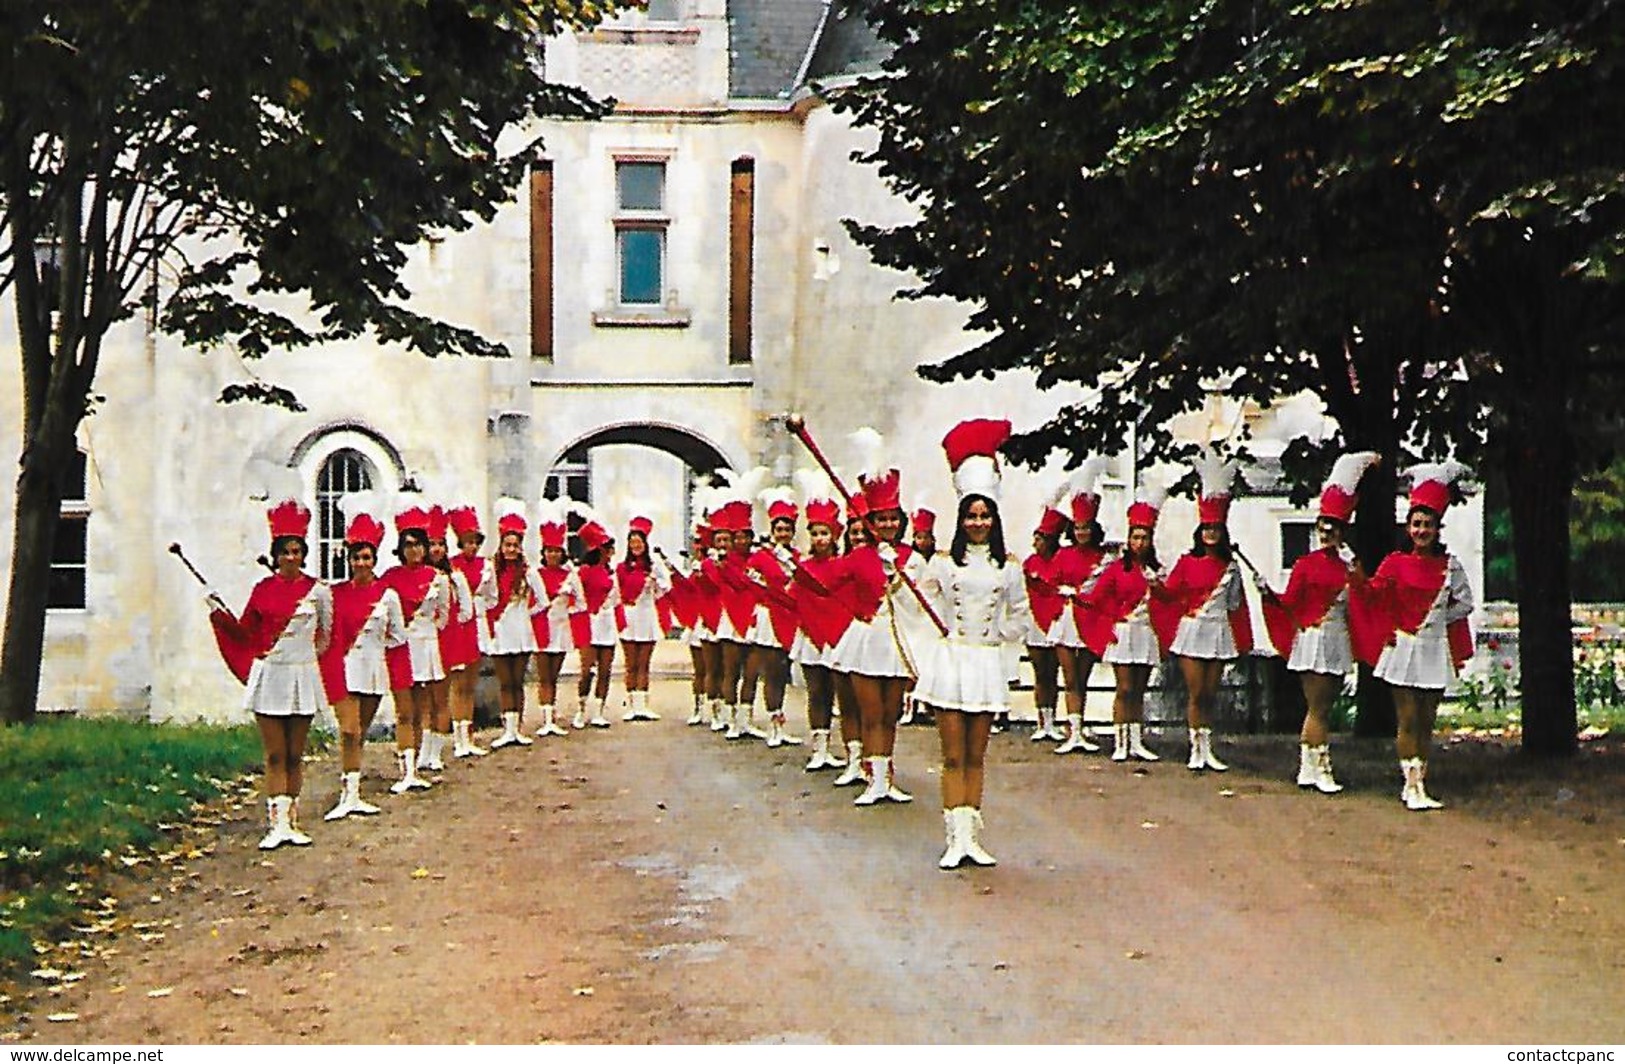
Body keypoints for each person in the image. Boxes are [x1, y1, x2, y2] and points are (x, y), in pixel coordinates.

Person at [914, 419, 1029, 869]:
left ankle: (971, 835)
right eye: (971, 515)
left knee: (976, 755)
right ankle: (952, 837)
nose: (978, 522)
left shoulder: (1009, 567)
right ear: (961, 520)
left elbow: (1020, 614)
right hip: (952, 661)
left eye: (985, 516)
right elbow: (918, 602)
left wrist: (996, 641)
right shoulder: (944, 564)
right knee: (951, 753)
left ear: (994, 519)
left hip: (983, 664)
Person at [208, 498, 333, 849]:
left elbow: (325, 636)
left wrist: (301, 658)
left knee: (296, 753)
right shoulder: (262, 590)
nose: (291, 557)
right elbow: (246, 631)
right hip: (270, 678)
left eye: (296, 550)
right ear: (275, 554)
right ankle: (275, 825)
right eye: (285, 551)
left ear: (303, 553)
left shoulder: (319, 591)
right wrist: (220, 614)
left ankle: (292, 822)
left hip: (302, 676)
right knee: (275, 753)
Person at [1350, 462, 1476, 811]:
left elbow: (1465, 602)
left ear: (1438, 529)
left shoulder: (1450, 566)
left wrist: (1436, 621)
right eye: (1417, 524)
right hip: (1403, 648)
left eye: (1428, 525)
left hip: (1434, 649)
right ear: (1408, 527)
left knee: (1426, 721)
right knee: (1407, 718)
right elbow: (1374, 596)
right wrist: (1359, 579)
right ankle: (1411, 784)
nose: (1422, 530)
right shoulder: (1394, 562)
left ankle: (1421, 781)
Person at [1257, 452, 1379, 794]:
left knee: (1326, 704)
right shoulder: (1306, 564)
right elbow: (1290, 601)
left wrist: (1355, 569)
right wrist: (1268, 592)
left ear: (1342, 531)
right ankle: (1315, 766)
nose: (1327, 532)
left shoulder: (1348, 564)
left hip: (1337, 638)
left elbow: (1366, 597)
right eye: (1323, 527)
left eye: (1333, 527)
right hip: (1313, 638)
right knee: (1318, 706)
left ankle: (1311, 765)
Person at [828, 428, 928, 806]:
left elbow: (919, 603)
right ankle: (873, 778)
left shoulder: (913, 559)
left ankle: (887, 776)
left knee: (891, 714)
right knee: (870, 713)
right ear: (870, 521)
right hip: (867, 639)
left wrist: (898, 575)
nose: (887, 525)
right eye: (880, 519)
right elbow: (829, 586)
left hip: (898, 639)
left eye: (892, 519)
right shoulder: (856, 557)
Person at [1161, 453, 1252, 772]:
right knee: (1196, 691)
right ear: (1199, 531)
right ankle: (1194, 747)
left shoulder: (1231, 566)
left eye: (1215, 528)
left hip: (1219, 631)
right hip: (1193, 630)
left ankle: (1207, 746)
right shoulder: (1187, 562)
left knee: (1211, 693)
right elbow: (1170, 593)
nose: (1210, 533)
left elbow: (1236, 605)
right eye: (1206, 528)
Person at [317, 496, 405, 820]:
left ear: (374, 559)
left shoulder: (388, 595)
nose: (362, 563)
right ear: (349, 559)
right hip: (344, 668)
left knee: (361, 731)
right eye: (357, 558)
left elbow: (398, 636)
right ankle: (347, 793)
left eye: (367, 557)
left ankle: (353, 792)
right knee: (349, 729)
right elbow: (324, 631)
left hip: (373, 669)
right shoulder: (334, 593)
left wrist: (377, 645)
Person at [1081, 479, 1170, 762]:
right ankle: (1120, 741)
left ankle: (1136, 741)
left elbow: (1171, 601)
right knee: (1125, 688)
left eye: (1144, 537)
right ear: (1129, 539)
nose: (1139, 543)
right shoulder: (1117, 568)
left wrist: (1159, 587)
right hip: (1123, 632)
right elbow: (1096, 597)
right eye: (1135, 537)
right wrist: (1111, 621)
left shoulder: (1157, 569)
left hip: (1146, 632)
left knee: (1140, 690)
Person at [380, 506, 452, 793]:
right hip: (400, 646)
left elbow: (444, 615)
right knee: (404, 710)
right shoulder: (389, 577)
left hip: (426, 645)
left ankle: (418, 764)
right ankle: (405, 770)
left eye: (418, 544)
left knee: (423, 707)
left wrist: (427, 630)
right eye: (407, 545)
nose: (414, 550)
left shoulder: (438, 578)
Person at [789, 473, 857, 771]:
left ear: (834, 535)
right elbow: (795, 599)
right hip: (810, 636)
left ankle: (852, 754)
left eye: (824, 533)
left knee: (842, 695)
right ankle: (820, 747)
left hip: (839, 635)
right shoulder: (802, 567)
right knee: (816, 692)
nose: (819, 539)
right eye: (814, 533)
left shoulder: (844, 566)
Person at [1053, 458, 1111, 755]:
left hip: (1089, 618)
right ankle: (1072, 730)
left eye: (1086, 527)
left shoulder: (1103, 558)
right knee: (1069, 676)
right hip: (1066, 619)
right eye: (1077, 527)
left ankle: (1081, 728)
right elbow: (1050, 582)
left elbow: (1106, 589)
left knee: (1084, 676)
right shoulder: (1062, 555)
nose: (1081, 532)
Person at [742, 486, 802, 746]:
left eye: (787, 530)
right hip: (769, 617)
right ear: (772, 530)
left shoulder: (798, 558)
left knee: (782, 669)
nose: (783, 534)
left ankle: (780, 721)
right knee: (770, 671)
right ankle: (773, 725)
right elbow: (751, 584)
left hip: (790, 616)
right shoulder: (760, 557)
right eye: (779, 529)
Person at [480, 500, 542, 748]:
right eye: (507, 544)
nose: (511, 549)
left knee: (518, 681)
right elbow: (483, 598)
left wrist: (524, 613)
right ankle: (507, 729)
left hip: (521, 632)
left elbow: (543, 601)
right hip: (500, 631)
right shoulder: (491, 569)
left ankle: (518, 729)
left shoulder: (528, 571)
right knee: (505, 682)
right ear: (501, 545)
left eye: (515, 545)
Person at [420, 506, 471, 769]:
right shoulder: (419, 577)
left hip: (447, 641)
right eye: (431, 544)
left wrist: (448, 628)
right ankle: (423, 751)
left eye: (441, 544)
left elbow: (466, 610)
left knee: (441, 699)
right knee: (423, 701)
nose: (436, 550)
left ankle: (436, 752)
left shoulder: (455, 577)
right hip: (424, 642)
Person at [1022, 490, 1073, 744]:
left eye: (1041, 538)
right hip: (1034, 621)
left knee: (1056, 672)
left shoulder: (1062, 559)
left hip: (1056, 619)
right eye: (1035, 538)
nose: (1036, 543)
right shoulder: (1029, 562)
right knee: (1040, 673)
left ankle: (1055, 720)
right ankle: (1042, 721)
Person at [828, 500, 872, 786]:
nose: (858, 537)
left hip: (874, 635)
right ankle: (853, 759)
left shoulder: (887, 561)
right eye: (854, 532)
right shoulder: (841, 564)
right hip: (846, 635)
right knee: (847, 702)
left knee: (871, 705)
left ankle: (875, 763)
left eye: (863, 532)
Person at [616, 509, 673, 722]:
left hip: (647, 615)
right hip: (630, 616)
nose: (635, 545)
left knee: (644, 662)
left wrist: (654, 581)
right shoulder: (622, 568)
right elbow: (617, 592)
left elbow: (666, 588)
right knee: (630, 662)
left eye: (639, 541)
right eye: (632, 542)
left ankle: (643, 705)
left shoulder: (654, 565)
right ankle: (631, 705)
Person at [444, 504, 490, 759]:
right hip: (457, 626)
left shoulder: (486, 565)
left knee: (471, 683)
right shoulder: (452, 566)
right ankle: (458, 737)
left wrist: (483, 609)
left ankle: (468, 735)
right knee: (457, 684)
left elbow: (492, 594)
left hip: (477, 624)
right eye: (467, 541)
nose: (472, 546)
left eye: (475, 542)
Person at [530, 498, 578, 737]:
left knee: (554, 674)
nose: (552, 554)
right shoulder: (535, 574)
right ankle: (545, 718)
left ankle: (552, 716)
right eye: (548, 551)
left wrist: (567, 603)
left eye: (556, 551)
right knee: (543, 673)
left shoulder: (570, 575)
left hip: (560, 626)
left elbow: (581, 602)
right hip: (540, 626)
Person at [569, 511, 619, 729]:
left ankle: (598, 710)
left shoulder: (612, 573)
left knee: (606, 669)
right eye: (608, 549)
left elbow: (617, 597)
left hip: (607, 622)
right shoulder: (584, 571)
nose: (611, 553)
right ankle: (581, 709)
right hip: (590, 621)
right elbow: (578, 596)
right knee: (587, 668)